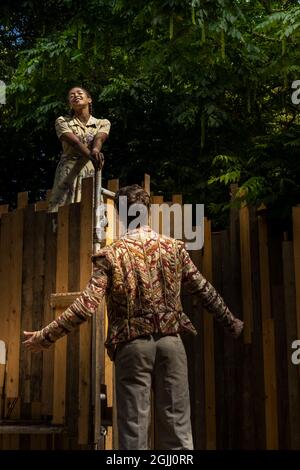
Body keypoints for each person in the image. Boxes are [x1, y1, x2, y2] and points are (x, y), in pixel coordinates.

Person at [24, 184, 243, 450]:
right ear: (147, 212)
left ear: (120, 215)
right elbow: (204, 289)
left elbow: (85, 306)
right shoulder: (173, 248)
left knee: (134, 434)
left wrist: (45, 337)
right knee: (178, 433)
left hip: (132, 347)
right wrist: (231, 322)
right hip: (172, 344)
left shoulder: (111, 255)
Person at [48, 86, 111, 212]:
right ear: (70, 103)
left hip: (90, 169)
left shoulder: (102, 122)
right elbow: (74, 142)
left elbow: (99, 138)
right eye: (72, 95)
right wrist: (92, 155)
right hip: (68, 169)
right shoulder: (62, 121)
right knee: (62, 208)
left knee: (90, 207)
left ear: (89, 99)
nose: (75, 95)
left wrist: (96, 150)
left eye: (79, 93)